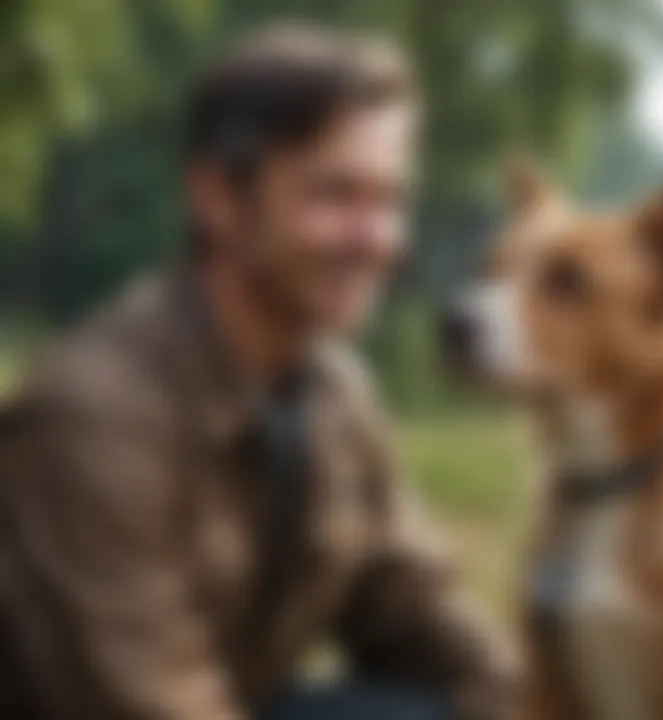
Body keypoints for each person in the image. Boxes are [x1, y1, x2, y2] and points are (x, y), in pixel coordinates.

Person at [0, 24, 515, 720]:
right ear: (216, 198)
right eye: (336, 196)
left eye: (390, 200)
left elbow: (418, 613)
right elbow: (144, 701)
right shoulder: (98, 414)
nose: (377, 239)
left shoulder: (337, 396)